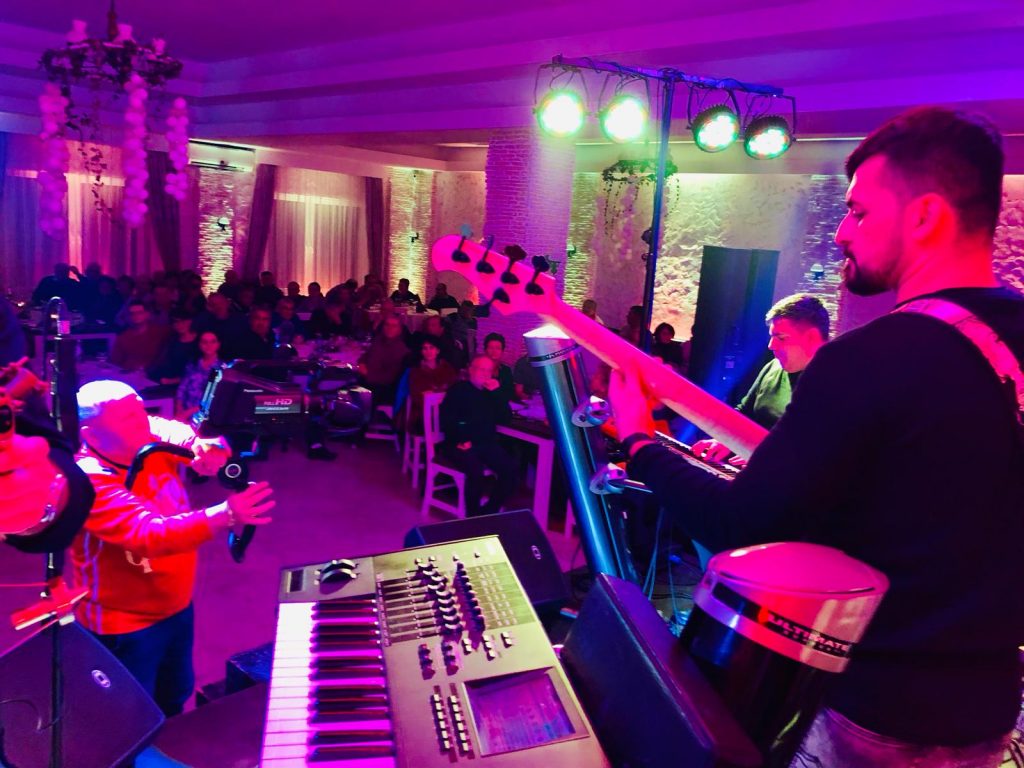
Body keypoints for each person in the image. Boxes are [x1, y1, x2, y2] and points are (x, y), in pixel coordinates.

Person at [608, 106, 1024, 767]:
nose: (841, 231)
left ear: (925, 217)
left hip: (875, 712)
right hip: (988, 711)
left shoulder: (870, 358)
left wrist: (639, 441)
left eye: (859, 211)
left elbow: (736, 526)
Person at [69, 380, 274, 715]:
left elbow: (165, 427)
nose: (142, 423)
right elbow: (148, 534)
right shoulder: (88, 479)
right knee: (130, 715)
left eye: (141, 412)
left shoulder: (144, 437)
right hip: (124, 623)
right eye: (128, 419)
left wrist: (201, 444)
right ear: (91, 435)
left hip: (175, 604)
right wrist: (225, 515)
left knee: (175, 695)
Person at [693, 294, 829, 462]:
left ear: (811, 338)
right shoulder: (774, 367)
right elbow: (744, 414)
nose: (771, 345)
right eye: (772, 337)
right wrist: (726, 440)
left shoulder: (837, 384)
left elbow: (824, 453)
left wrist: (768, 459)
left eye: (781, 337)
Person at [439, 355, 517, 517]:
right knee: (476, 470)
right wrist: (462, 439)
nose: (485, 374)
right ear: (471, 370)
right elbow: (448, 421)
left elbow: (505, 418)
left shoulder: (491, 392)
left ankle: (489, 510)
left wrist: (497, 394)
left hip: (485, 442)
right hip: (459, 443)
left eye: (489, 371)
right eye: (481, 369)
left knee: (510, 468)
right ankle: (473, 516)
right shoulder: (458, 390)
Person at [407, 335, 457, 434]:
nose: (428, 351)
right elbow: (416, 395)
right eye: (425, 348)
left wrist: (437, 392)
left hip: (445, 410)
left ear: (437, 350)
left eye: (431, 348)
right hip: (422, 413)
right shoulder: (416, 371)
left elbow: (453, 389)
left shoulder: (447, 368)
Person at [357, 315, 409, 405]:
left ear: (400, 330)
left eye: (394, 326)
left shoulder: (401, 350)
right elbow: (366, 355)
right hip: (366, 380)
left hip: (381, 389)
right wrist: (362, 363)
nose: (389, 328)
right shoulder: (378, 340)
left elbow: (391, 377)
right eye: (387, 325)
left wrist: (367, 374)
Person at [110, 301, 170, 372]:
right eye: (132, 313)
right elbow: (115, 361)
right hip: (127, 374)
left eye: (139, 312)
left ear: (147, 314)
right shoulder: (124, 337)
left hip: (152, 374)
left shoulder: (160, 332)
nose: (135, 315)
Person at [176, 330, 223, 420]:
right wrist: (179, 409)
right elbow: (182, 388)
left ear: (218, 344)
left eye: (212, 342)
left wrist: (189, 412)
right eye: (204, 342)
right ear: (199, 344)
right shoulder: (192, 364)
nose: (208, 345)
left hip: (205, 417)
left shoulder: (222, 368)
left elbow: (214, 399)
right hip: (184, 412)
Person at [147, 309, 199, 386]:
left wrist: (172, 381)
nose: (179, 325)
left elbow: (197, 370)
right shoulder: (171, 340)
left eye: (182, 321)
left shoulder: (199, 342)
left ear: (189, 321)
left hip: (185, 383)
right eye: (176, 322)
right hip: (164, 378)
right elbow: (162, 361)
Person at [483, 332, 515, 411]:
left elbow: (510, 393)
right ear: (485, 350)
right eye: (491, 348)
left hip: (502, 409)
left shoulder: (506, 370)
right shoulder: (480, 370)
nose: (494, 351)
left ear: (502, 351)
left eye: (497, 348)